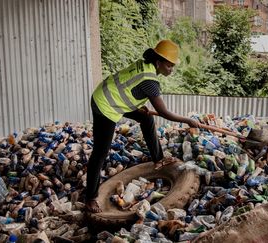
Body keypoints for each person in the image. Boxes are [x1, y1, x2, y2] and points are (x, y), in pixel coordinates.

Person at [86, 40, 200, 213]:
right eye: (169, 66)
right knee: (100, 153)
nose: (171, 69)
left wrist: (137, 106)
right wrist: (188, 121)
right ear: (159, 62)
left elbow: (129, 86)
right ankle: (90, 198)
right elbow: (163, 112)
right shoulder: (150, 81)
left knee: (146, 118)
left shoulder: (146, 65)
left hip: (114, 97)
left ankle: (158, 158)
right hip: (105, 104)